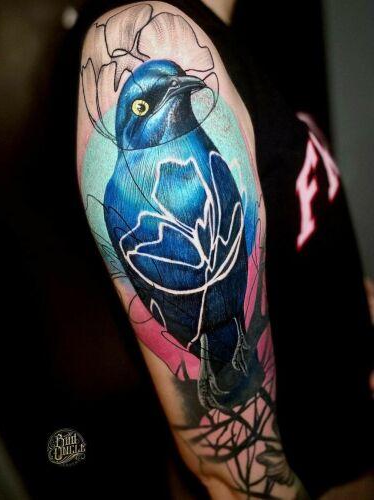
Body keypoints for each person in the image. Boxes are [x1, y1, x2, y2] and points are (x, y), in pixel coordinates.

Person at [77, 1, 374, 498]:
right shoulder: (154, 33)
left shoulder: (240, 36)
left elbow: (289, 220)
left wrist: (345, 293)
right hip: (313, 471)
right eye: (146, 106)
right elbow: (238, 481)